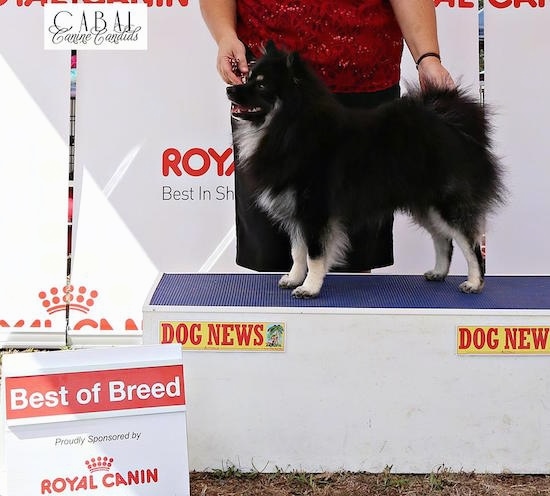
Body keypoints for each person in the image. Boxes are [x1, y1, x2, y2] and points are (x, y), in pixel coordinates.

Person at [199, 0, 455, 273]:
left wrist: (428, 57)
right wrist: (226, 35)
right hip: (269, 95)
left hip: (363, 96)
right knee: (271, 257)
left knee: (352, 265)